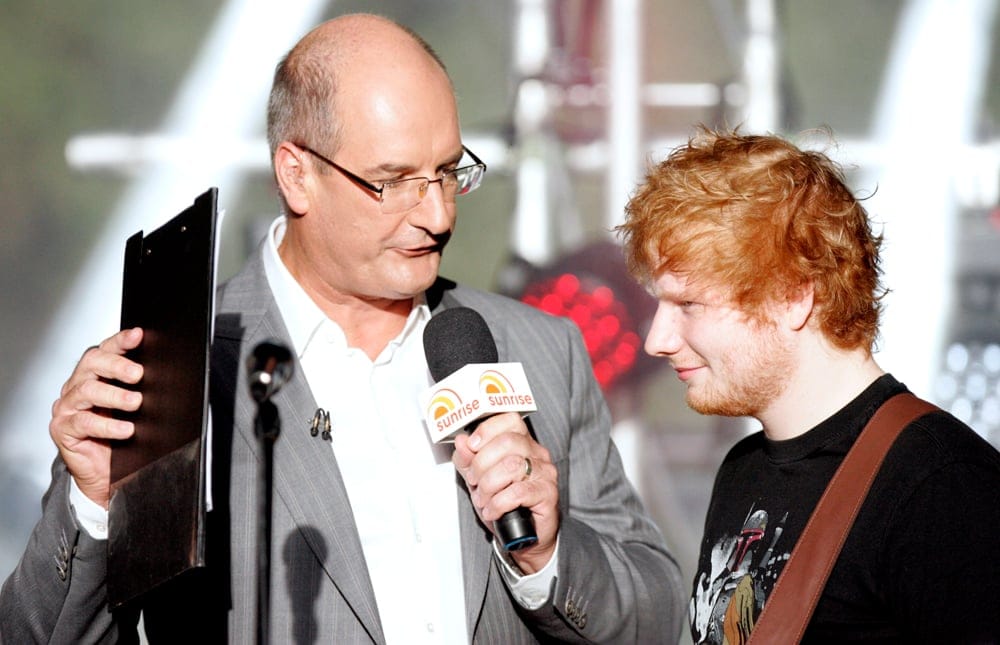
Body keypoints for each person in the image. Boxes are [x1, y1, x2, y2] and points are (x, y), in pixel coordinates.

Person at [0, 14, 686, 644]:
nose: (438, 214)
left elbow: (657, 617)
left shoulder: (542, 348)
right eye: (393, 181)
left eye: (448, 173)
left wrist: (549, 554)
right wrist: (91, 506)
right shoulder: (181, 370)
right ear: (296, 176)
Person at [616, 126, 1000, 643]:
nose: (656, 340)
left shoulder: (941, 485)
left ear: (794, 297)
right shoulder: (742, 470)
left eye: (689, 304)